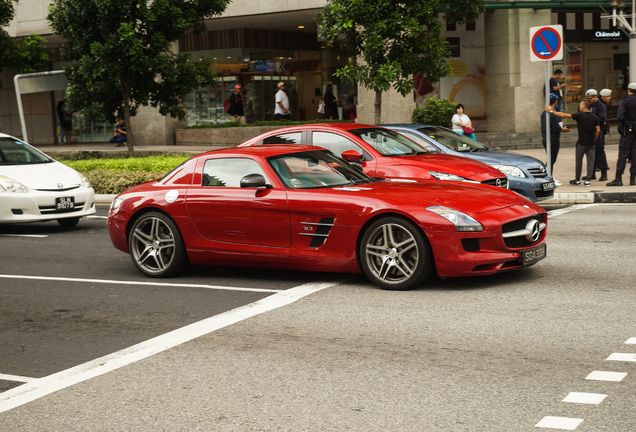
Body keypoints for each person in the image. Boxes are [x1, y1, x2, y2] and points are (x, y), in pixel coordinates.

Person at [547, 100, 599, 186]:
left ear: (584, 106)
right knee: (591, 161)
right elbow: (598, 130)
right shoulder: (595, 117)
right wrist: (594, 139)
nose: (579, 106)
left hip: (581, 143)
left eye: (580, 105)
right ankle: (588, 180)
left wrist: (551, 111)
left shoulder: (579, 115)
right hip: (591, 143)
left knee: (579, 162)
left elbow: (564, 115)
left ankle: (577, 179)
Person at [607, 82, 636, 186]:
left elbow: (620, 116)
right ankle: (633, 179)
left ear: (628, 90)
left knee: (623, 153)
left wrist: (625, 123)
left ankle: (618, 178)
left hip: (627, 130)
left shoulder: (625, 101)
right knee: (634, 153)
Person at [540, 93, 570, 186]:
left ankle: (549, 177)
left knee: (550, 159)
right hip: (553, 138)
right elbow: (557, 128)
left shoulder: (544, 112)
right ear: (556, 101)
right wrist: (564, 129)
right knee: (551, 159)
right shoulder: (552, 114)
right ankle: (548, 178)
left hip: (546, 137)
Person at [583, 89, 609, 181]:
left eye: (590, 98)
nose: (588, 100)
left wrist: (590, 117)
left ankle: (604, 173)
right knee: (590, 153)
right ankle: (591, 173)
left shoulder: (600, 106)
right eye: (587, 98)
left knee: (599, 152)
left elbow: (602, 119)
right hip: (589, 131)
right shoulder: (588, 105)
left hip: (598, 131)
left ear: (595, 97)